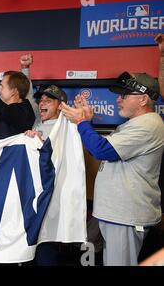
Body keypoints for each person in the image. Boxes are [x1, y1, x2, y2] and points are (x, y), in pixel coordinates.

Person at [61, 72, 164, 266]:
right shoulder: (135, 124)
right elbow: (101, 147)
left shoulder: (148, 124)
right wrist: (87, 122)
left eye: (124, 95)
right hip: (118, 214)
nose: (118, 99)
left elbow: (102, 150)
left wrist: (81, 122)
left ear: (143, 99)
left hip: (126, 215)